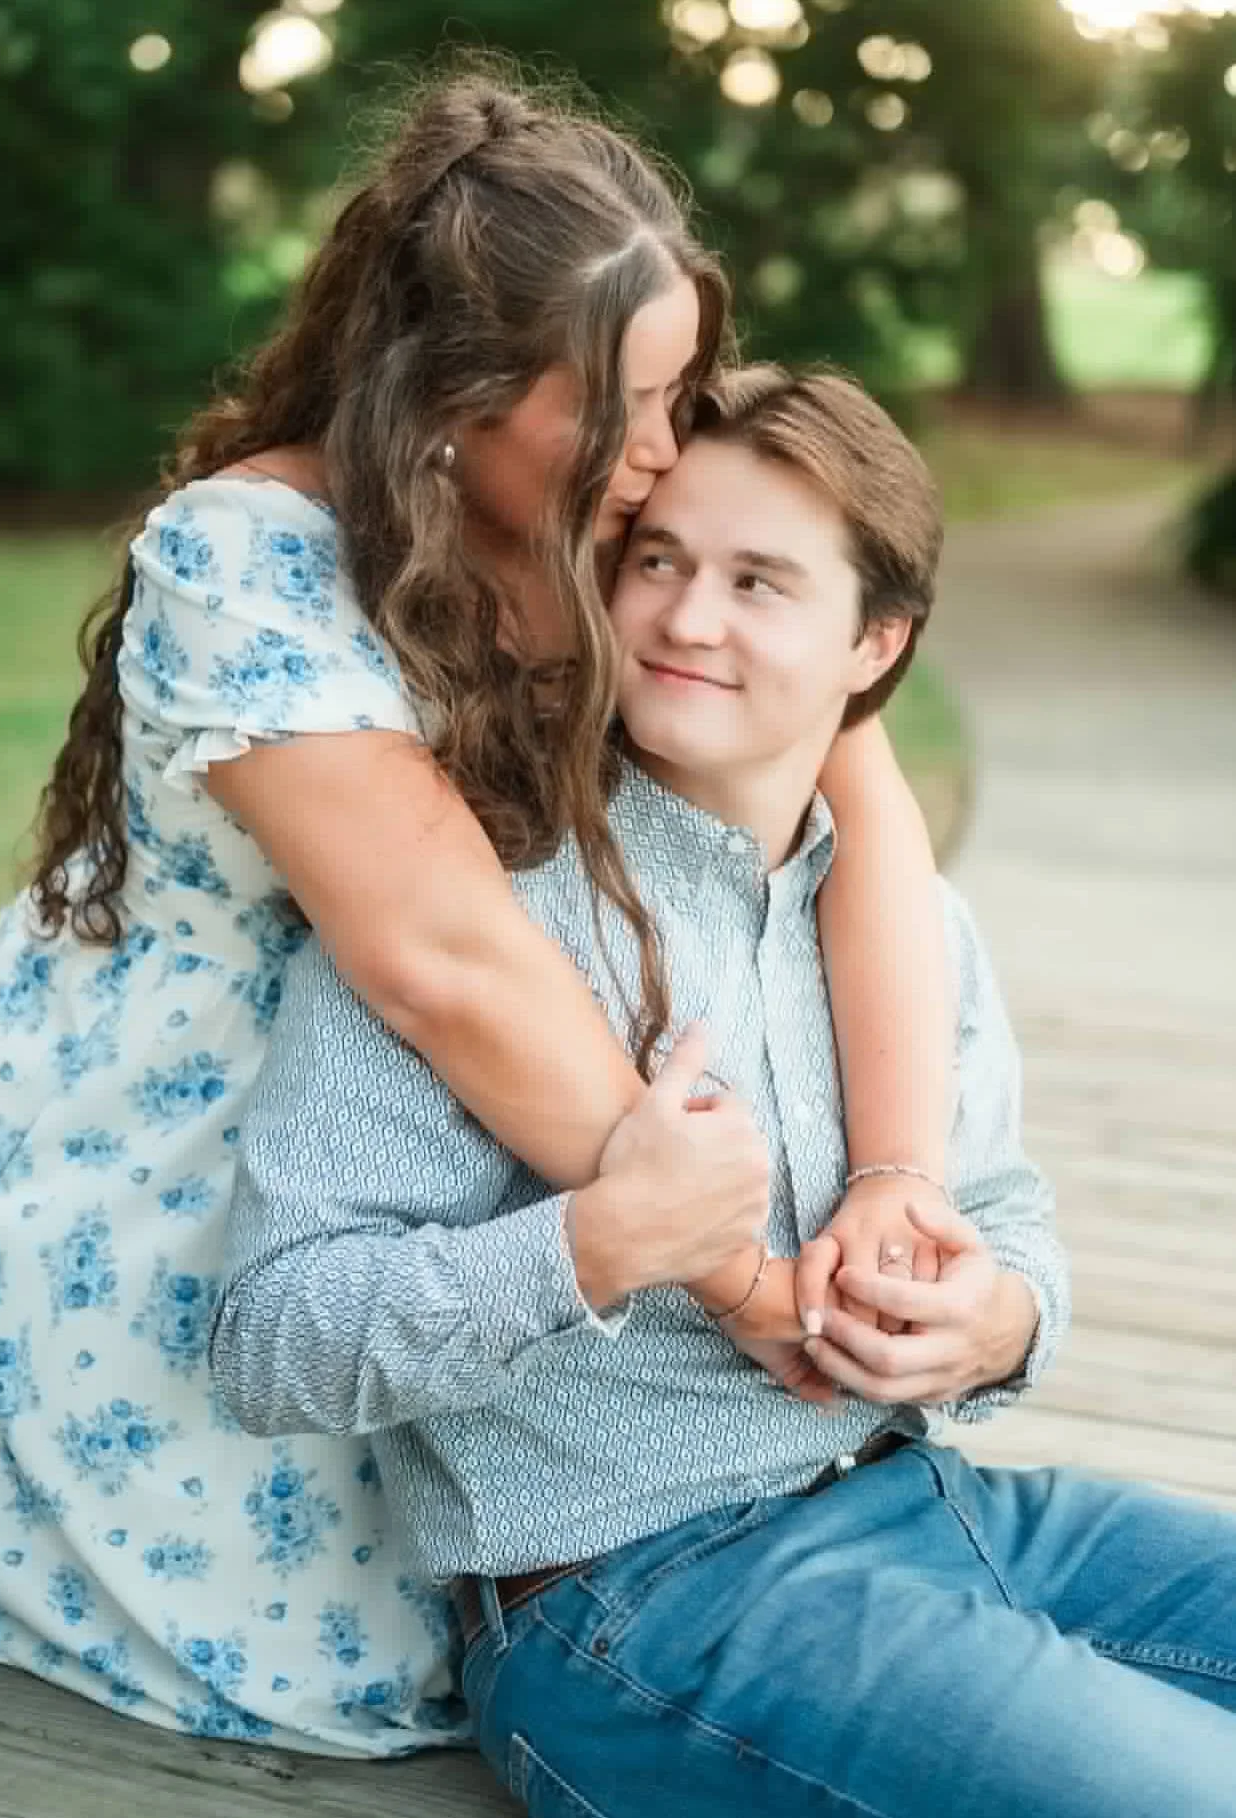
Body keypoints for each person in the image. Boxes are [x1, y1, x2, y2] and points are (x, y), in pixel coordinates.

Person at [0, 70, 949, 1754]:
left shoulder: (597, 500)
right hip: (187, 1146)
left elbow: (860, 799)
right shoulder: (249, 562)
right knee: (357, 1646)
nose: (671, 452)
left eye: (679, 390)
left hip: (459, 1132)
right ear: (457, 390)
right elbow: (442, 959)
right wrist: (733, 1273)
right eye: (634, 403)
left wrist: (900, 1178)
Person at [213, 364, 1236, 1816]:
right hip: (640, 1597)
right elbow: (270, 1338)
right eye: (659, 563)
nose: (691, 619)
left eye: (761, 581)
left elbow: (1005, 1210)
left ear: (874, 642)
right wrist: (597, 1244)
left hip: (942, 1505)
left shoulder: (909, 928)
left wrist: (990, 1315)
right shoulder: (477, 905)